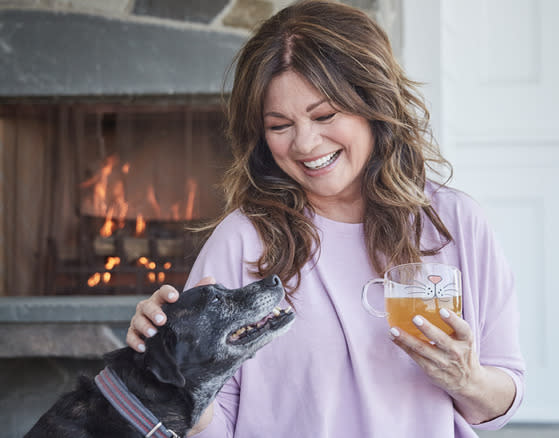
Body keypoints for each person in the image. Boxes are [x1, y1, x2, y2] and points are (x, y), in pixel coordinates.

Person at [126, 1, 525, 436]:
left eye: (324, 115)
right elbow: (213, 425)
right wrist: (175, 372)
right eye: (279, 125)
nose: (305, 144)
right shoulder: (242, 241)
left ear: (374, 103)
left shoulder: (453, 223)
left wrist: (467, 379)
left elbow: (500, 401)